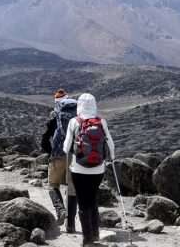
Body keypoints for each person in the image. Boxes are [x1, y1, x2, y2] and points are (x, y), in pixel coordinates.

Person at [63, 93, 115, 247]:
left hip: (79, 169)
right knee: (93, 199)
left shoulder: (74, 121)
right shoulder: (101, 121)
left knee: (83, 202)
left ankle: (87, 239)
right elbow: (111, 145)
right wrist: (112, 156)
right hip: (98, 170)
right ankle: (95, 233)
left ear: (79, 105)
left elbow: (66, 148)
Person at [41, 88, 78, 233]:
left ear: (57, 102)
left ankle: (60, 209)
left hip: (58, 154)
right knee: (72, 190)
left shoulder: (54, 114)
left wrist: (50, 153)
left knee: (53, 185)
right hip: (75, 156)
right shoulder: (79, 114)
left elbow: (45, 138)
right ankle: (71, 225)